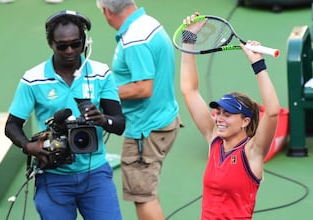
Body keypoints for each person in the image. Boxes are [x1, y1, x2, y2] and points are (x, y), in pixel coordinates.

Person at [4, 10, 124, 220]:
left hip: (95, 175)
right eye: (62, 46)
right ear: (51, 44)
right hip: (53, 176)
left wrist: (103, 119)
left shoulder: (101, 73)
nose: (70, 50)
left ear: (85, 42)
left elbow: (120, 124)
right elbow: (12, 125)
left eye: (76, 44)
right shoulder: (33, 79)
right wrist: (28, 146)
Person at [180, 13, 279, 219]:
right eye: (219, 112)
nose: (219, 118)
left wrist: (258, 65)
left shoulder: (253, 152)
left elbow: (272, 112)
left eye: (228, 114)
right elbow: (189, 90)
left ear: (245, 121)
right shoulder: (214, 140)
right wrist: (188, 39)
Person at [95, 1, 181, 219]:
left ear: (106, 11)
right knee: (147, 191)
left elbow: (143, 88)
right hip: (161, 121)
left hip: (146, 130)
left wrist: (102, 93)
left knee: (142, 196)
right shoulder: (149, 24)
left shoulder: (134, 39)